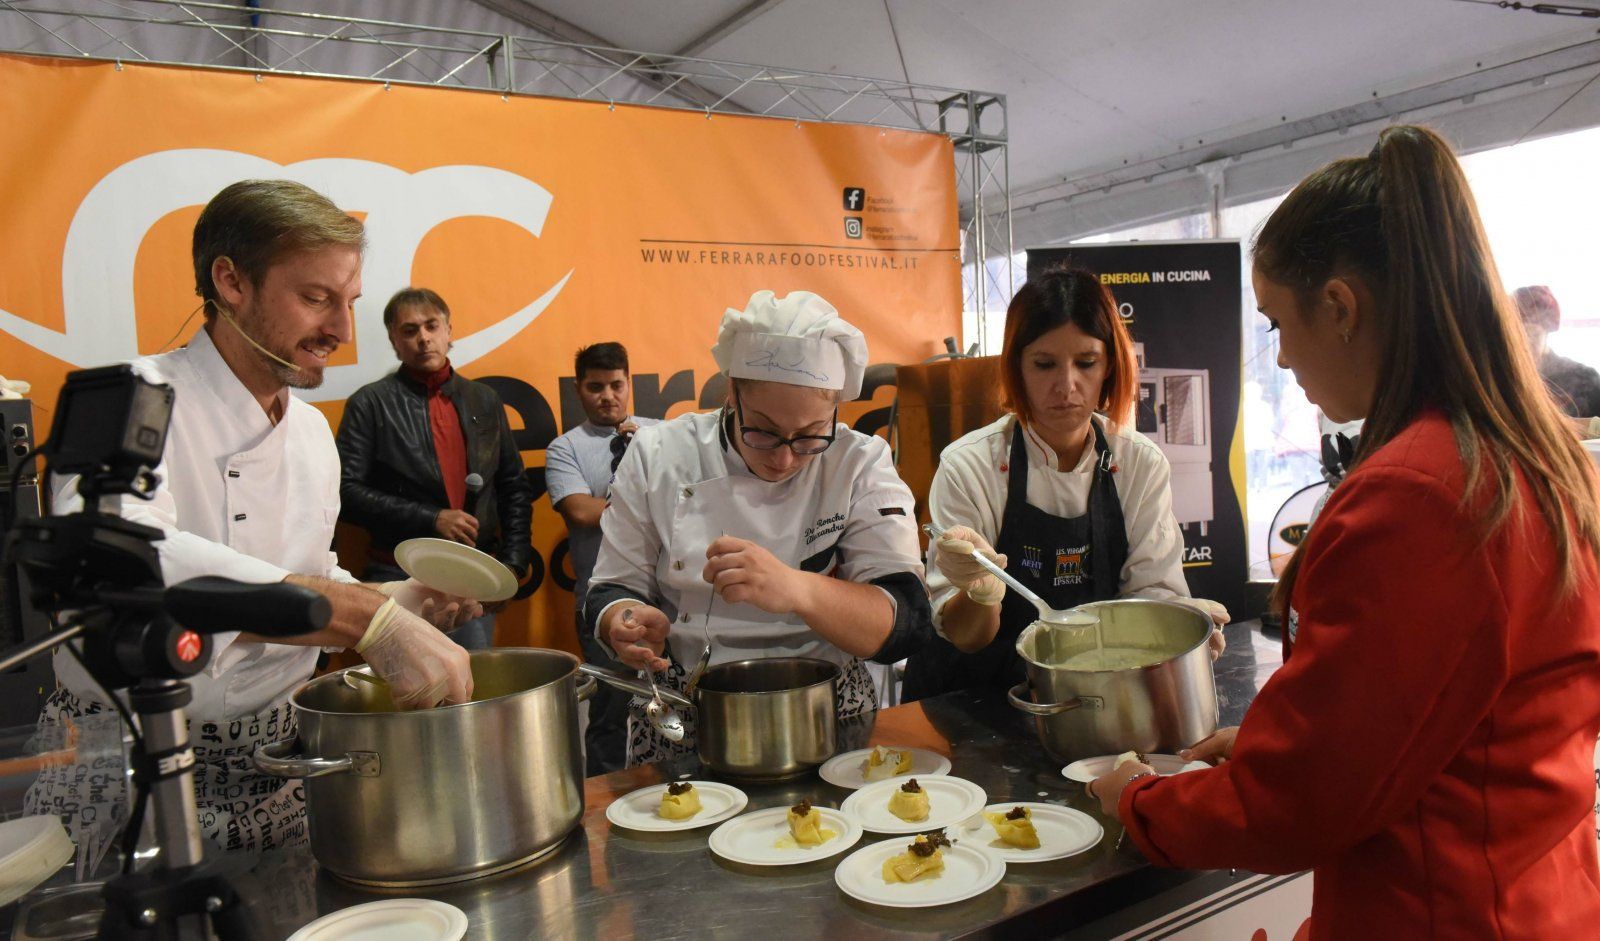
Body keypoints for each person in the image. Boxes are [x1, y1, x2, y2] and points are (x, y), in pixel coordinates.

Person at [1089, 126, 1600, 936]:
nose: (1283, 357)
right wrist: (1275, 741)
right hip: (1540, 899)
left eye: (1276, 324)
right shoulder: (1535, 458)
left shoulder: (1416, 498)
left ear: (1340, 307)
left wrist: (1140, 799)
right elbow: (1445, 719)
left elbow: (1298, 804)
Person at [26, 180, 477, 854]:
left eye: (348, 303)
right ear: (231, 282)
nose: (341, 332)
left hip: (274, 769)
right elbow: (134, 561)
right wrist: (364, 617)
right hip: (130, 765)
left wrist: (398, 598)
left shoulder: (310, 434)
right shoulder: (131, 398)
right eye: (316, 298)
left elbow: (307, 575)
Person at [585, 289, 932, 766]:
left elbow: (905, 624)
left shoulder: (859, 464)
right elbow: (610, 590)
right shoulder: (658, 456)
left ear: (835, 411)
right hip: (690, 708)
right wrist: (623, 621)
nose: (785, 457)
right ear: (732, 393)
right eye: (764, 431)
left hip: (827, 709)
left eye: (811, 434)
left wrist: (794, 588)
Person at [901, 267, 1226, 701]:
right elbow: (966, 636)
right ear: (1017, 367)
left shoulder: (1139, 463)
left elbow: (1148, 598)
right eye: (1044, 364)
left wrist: (1176, 631)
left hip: (1090, 697)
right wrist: (981, 593)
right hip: (969, 704)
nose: (1066, 386)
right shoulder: (970, 467)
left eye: (1086, 363)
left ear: (1109, 366)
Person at [336, 287, 533, 649]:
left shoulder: (485, 400)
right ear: (394, 340)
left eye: (431, 326)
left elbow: (513, 488)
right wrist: (432, 518)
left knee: (472, 694)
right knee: (409, 696)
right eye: (409, 330)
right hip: (398, 573)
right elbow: (345, 494)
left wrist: (513, 566)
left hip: (473, 576)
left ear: (449, 331)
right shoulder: (369, 404)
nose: (423, 338)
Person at [544, 342, 660, 774]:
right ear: (579, 390)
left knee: (674, 704)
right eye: (596, 387)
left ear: (629, 383)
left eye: (616, 385)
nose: (608, 395)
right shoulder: (565, 448)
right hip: (602, 601)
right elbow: (581, 510)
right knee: (611, 715)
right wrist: (646, 502)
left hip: (669, 599)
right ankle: (604, 809)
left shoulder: (659, 434)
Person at [1513, 284, 1600, 419]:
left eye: (1530, 333)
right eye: (1516, 334)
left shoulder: (1584, 379)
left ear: (1546, 330)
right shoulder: (1503, 378)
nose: (1524, 341)